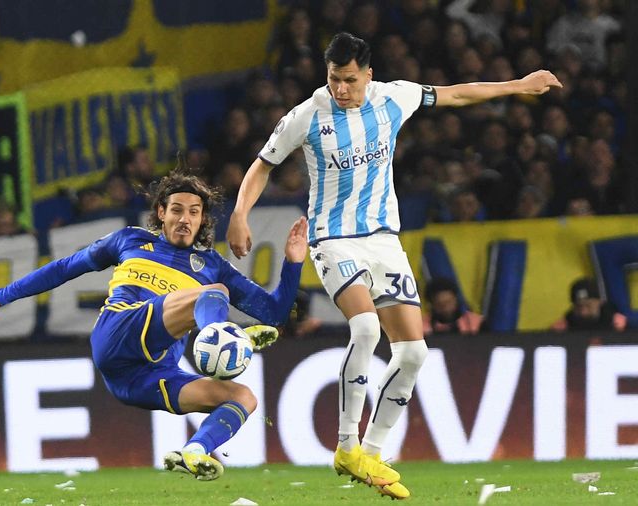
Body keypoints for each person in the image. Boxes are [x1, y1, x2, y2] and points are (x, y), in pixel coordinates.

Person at [226, 32, 561, 499]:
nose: (340, 89)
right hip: (333, 240)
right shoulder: (307, 115)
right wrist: (240, 214)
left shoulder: (394, 97)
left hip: (384, 240)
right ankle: (345, 446)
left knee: (413, 353)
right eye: (333, 79)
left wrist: (517, 85)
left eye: (348, 80)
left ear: (368, 74)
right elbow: (263, 165)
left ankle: (373, 452)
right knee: (365, 329)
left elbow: (457, 93)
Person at [0, 170, 308, 481]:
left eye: (193, 212)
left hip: (139, 377)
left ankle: (196, 451)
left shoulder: (212, 264)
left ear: (202, 220)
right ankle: (223, 339)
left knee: (243, 397)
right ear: (161, 212)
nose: (184, 219)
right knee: (212, 294)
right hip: (119, 331)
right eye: (176, 210)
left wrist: (293, 262)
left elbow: (275, 313)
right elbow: (65, 268)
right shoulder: (129, 240)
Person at [551, 277, 626, 332]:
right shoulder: (568, 322)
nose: (583, 312)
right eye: (578, 307)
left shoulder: (613, 320)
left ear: (599, 302)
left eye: (588, 305)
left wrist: (622, 331)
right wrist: (555, 334)